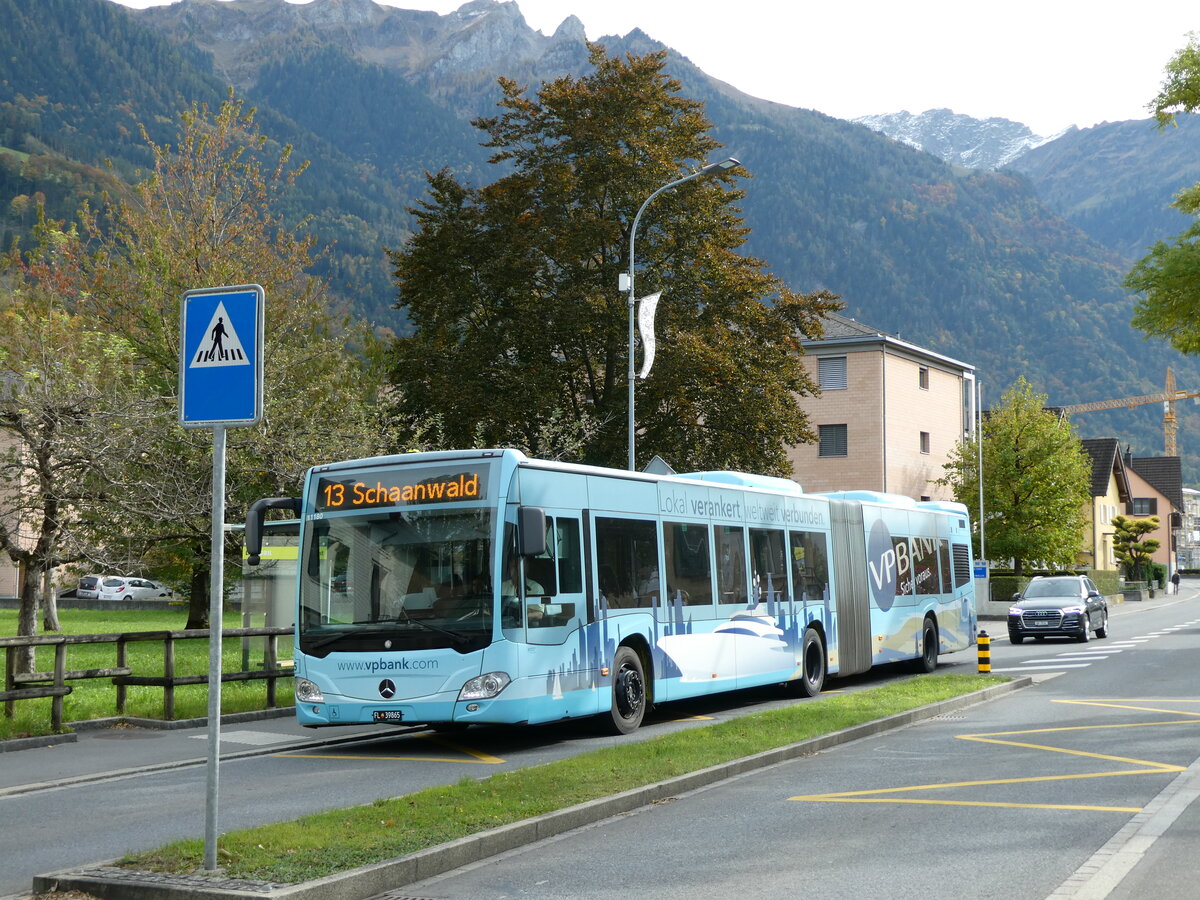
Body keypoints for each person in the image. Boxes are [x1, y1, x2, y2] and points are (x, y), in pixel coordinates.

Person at [501, 555, 544, 625]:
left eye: (517, 566)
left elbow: (539, 614)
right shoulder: (502, 586)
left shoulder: (536, 588)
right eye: (512, 566)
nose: (515, 570)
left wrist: (520, 619)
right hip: (503, 626)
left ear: (526, 568)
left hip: (527, 628)